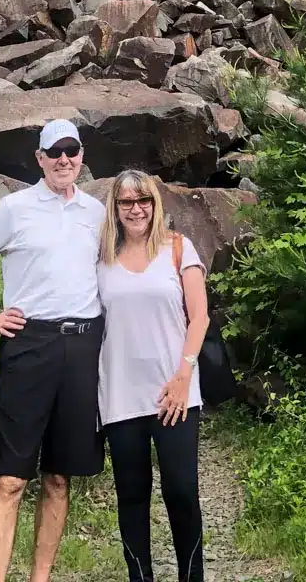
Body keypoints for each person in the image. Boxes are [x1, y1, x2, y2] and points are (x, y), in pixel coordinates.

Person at [0, 119, 105, 582]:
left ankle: (41, 577)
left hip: (82, 347)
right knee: (12, 478)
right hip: (28, 345)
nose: (63, 159)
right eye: (53, 151)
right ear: (39, 158)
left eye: (71, 150)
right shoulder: (14, 209)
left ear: (81, 156)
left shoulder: (97, 213)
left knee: (59, 478)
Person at [98, 170, 211, 582]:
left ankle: (191, 577)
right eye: (126, 202)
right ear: (115, 208)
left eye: (142, 200)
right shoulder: (101, 259)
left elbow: (198, 317)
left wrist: (184, 375)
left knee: (181, 491)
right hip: (120, 396)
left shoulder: (179, 248)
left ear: (155, 203)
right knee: (131, 497)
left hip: (175, 392)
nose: (136, 209)